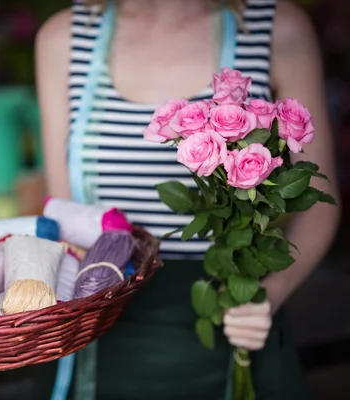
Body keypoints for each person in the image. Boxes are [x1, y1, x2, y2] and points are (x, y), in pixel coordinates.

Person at [34, 0, 340, 398]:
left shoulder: (274, 27)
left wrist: (270, 294)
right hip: (101, 323)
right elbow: (62, 209)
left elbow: (319, 202)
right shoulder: (67, 37)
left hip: (238, 318)